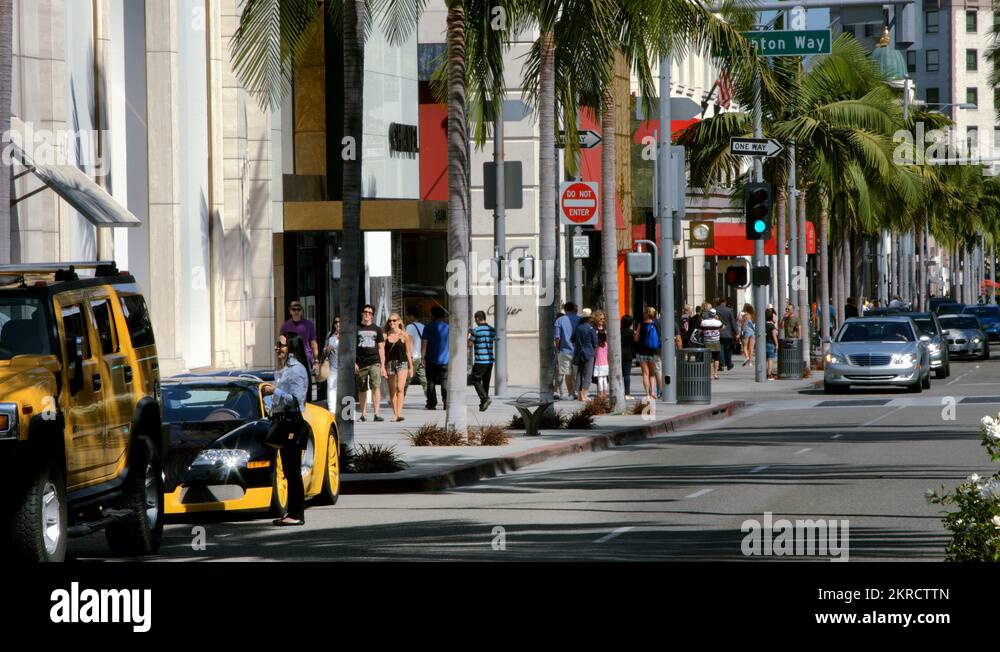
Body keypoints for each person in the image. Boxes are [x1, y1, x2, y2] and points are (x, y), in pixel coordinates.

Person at [262, 332, 311, 526]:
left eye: (281, 345)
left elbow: (297, 401)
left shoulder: (296, 370)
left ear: (290, 347)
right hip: (283, 419)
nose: (277, 348)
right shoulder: (286, 370)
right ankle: (292, 513)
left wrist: (276, 390)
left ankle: (296, 514)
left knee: (292, 471)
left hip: (291, 422)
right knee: (289, 471)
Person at [356, 304, 386, 422]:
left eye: (369, 313)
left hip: (374, 361)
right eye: (365, 312)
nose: (367, 314)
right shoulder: (357, 328)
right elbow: (352, 347)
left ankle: (376, 413)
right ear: (362, 313)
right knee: (362, 389)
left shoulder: (377, 329)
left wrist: (382, 365)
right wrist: (354, 362)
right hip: (360, 362)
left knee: (376, 386)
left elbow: (381, 348)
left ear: (372, 315)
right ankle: (363, 414)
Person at [280, 299, 320, 388]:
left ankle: (306, 401)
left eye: (298, 309)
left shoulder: (309, 324)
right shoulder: (285, 325)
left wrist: (316, 361)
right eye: (294, 309)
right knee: (290, 384)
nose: (296, 311)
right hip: (290, 359)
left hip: (305, 358)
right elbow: (282, 344)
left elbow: (314, 343)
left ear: (301, 311)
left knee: (305, 384)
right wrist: (282, 361)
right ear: (290, 311)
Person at [383, 313, 413, 422]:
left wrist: (411, 367)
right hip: (390, 363)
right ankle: (395, 413)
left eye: (394, 320)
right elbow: (382, 352)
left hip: (402, 363)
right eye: (390, 321)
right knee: (392, 390)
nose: (392, 323)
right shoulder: (385, 336)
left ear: (399, 322)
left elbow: (408, 352)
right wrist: (382, 366)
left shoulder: (405, 335)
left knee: (400, 388)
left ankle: (399, 413)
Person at [468, 310, 497, 411]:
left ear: (477, 318)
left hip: (480, 360)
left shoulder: (476, 330)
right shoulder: (492, 329)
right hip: (490, 361)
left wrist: (469, 335)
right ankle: (483, 404)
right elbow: (496, 338)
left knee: (475, 380)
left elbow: (470, 345)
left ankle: (485, 399)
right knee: (486, 382)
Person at [423, 305, 450, 410]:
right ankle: (446, 401)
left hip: (431, 360)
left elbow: (424, 343)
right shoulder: (448, 327)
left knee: (430, 381)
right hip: (445, 360)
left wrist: (422, 357)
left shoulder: (428, 327)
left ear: (432, 315)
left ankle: (432, 403)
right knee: (444, 381)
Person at [553, 302, 581, 399]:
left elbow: (557, 338)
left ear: (565, 310)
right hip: (578, 351)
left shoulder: (559, 321)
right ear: (574, 309)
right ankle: (577, 392)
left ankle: (569, 393)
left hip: (564, 351)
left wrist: (558, 348)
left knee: (565, 373)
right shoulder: (580, 320)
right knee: (577, 373)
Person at [572, 308, 598, 401]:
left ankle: (579, 394)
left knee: (579, 373)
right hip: (589, 353)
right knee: (588, 374)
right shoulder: (591, 328)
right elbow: (595, 342)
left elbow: (572, 339)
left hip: (579, 353)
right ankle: (584, 394)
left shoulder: (578, 328)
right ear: (589, 318)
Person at [634, 306, 660, 400]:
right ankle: (653, 392)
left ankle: (647, 394)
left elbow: (636, 338)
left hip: (642, 351)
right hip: (653, 351)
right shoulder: (656, 324)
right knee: (652, 373)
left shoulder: (641, 324)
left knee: (645, 373)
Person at [404, 306, 427, 398]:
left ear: (412, 316)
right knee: (424, 380)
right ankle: (430, 399)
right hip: (421, 357)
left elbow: (408, 342)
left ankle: (400, 397)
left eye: (407, 316)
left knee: (406, 379)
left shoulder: (409, 327)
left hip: (413, 356)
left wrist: (409, 357)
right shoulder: (423, 326)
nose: (406, 318)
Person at [698, 308, 723, 380]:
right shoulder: (718, 322)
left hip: (707, 342)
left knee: (708, 359)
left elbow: (700, 331)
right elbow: (722, 328)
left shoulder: (704, 322)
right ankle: (715, 374)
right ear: (715, 314)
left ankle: (710, 375)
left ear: (708, 314)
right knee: (716, 358)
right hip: (716, 341)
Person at [715, 297, 739, 372]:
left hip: (718, 332)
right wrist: (737, 332)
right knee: (728, 349)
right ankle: (729, 364)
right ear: (725, 302)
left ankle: (721, 364)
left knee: (720, 349)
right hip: (728, 333)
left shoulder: (715, 310)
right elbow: (733, 322)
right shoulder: (729, 310)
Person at [322, 315, 341, 411]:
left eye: (340, 322)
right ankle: (332, 411)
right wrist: (327, 349)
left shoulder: (347, 335)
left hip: (344, 368)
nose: (338, 324)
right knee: (331, 388)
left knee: (343, 390)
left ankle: (345, 412)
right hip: (333, 367)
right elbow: (324, 351)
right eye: (336, 322)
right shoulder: (330, 335)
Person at [593, 310, 609, 399]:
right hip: (602, 353)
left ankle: (601, 393)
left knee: (601, 377)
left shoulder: (598, 329)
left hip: (600, 353)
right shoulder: (596, 328)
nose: (602, 320)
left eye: (603, 319)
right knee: (603, 377)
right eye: (601, 319)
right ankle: (603, 393)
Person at [621, 314, 636, 399]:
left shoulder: (619, 331)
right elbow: (634, 343)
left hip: (619, 355)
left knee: (620, 374)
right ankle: (627, 393)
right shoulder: (630, 332)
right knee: (627, 375)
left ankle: (619, 391)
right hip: (628, 355)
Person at [765, 308, 779, 379]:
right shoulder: (772, 326)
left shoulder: (764, 325)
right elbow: (774, 336)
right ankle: (769, 373)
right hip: (771, 344)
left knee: (765, 359)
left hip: (764, 344)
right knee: (770, 359)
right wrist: (776, 344)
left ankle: (764, 372)